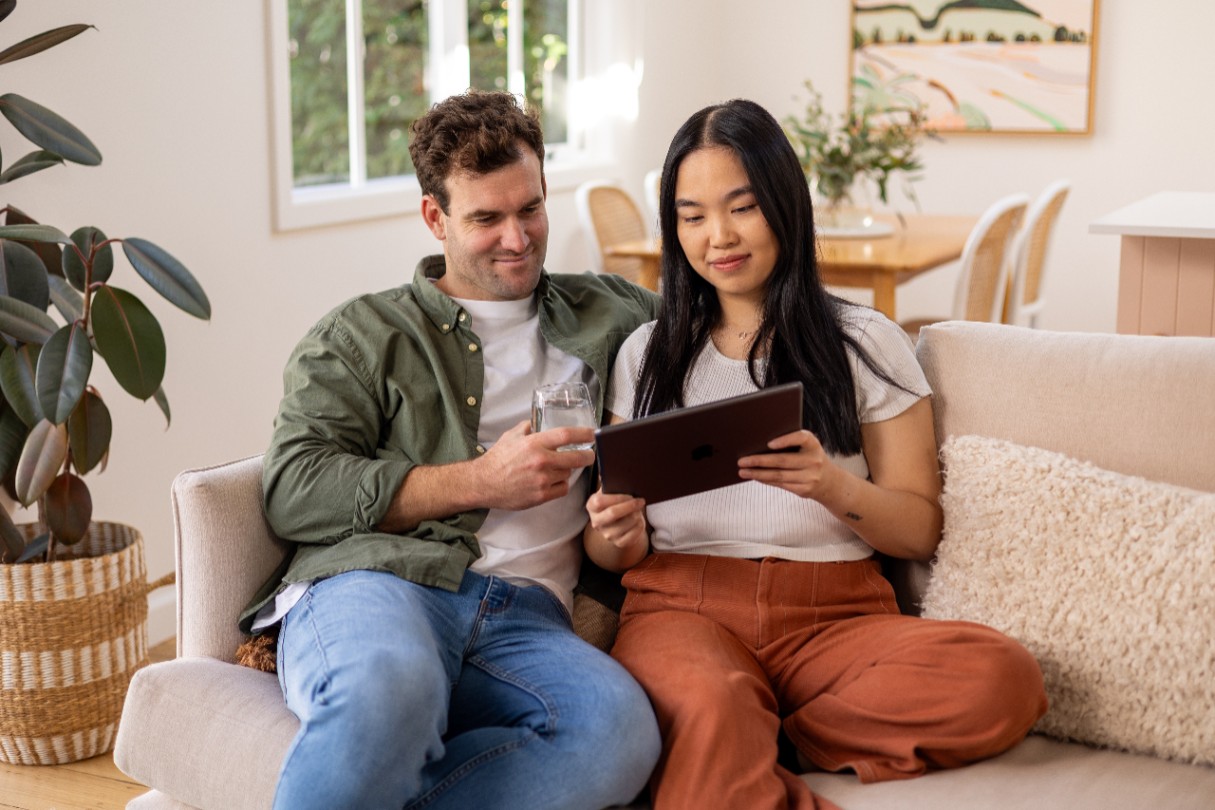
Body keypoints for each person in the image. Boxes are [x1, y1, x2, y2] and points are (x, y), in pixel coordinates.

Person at [583, 98, 1048, 810]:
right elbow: (613, 552)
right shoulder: (645, 355)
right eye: (692, 215)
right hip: (683, 606)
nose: (718, 237)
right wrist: (611, 535)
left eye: (741, 207)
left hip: (835, 620)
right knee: (706, 704)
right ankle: (725, 724)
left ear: (783, 205)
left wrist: (832, 487)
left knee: (1002, 679)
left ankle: (750, 729)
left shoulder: (864, 342)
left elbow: (920, 528)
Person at [240, 90, 662, 810]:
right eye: (485, 219)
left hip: (530, 618)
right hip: (383, 586)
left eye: (529, 209)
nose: (517, 238)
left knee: (617, 733)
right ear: (435, 218)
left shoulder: (615, 310)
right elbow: (293, 488)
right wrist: (477, 481)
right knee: (387, 688)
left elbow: (728, 334)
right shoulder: (364, 334)